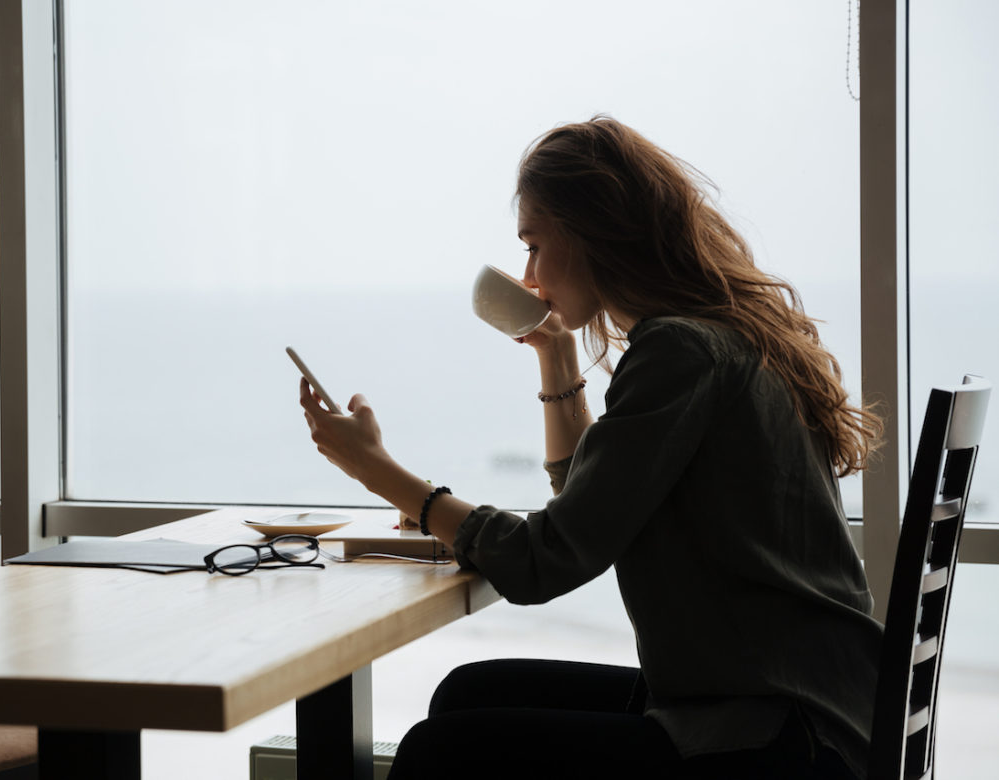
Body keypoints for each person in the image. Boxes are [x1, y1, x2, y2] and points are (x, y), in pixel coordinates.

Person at [298, 116, 884, 780]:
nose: (529, 273)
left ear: (592, 233)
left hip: (778, 736)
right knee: (467, 694)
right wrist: (555, 357)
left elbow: (542, 563)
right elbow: (587, 508)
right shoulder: (713, 334)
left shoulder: (680, 351)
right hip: (792, 704)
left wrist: (376, 470)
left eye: (535, 244)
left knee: (440, 753)